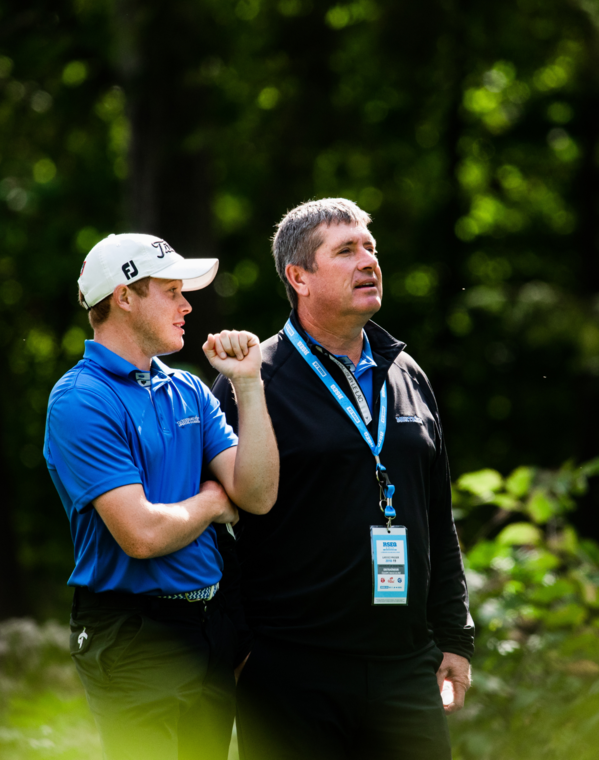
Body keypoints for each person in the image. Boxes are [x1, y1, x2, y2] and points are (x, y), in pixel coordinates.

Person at [212, 198, 474, 760]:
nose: (369, 261)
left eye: (371, 248)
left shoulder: (406, 372)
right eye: (347, 250)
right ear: (299, 277)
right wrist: (240, 645)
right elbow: (217, 524)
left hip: (404, 666)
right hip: (291, 667)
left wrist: (454, 636)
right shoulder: (255, 379)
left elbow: (435, 511)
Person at [43, 232, 278, 760]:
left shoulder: (189, 388)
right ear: (124, 296)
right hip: (132, 633)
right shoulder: (80, 399)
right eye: (171, 291)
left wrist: (249, 386)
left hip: (209, 626)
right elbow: (142, 535)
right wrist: (214, 504)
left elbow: (258, 495)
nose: (187, 304)